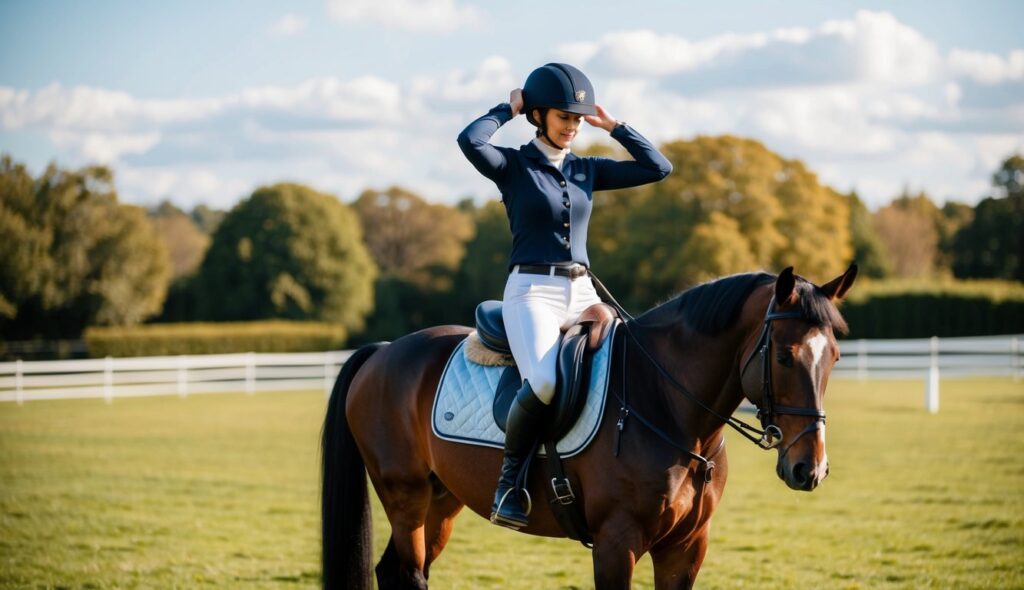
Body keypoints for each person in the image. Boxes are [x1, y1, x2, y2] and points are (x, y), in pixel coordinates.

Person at [457, 63, 673, 529]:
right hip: (531, 292)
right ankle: (508, 484)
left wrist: (614, 126)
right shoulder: (513, 166)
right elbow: (470, 141)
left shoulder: (585, 169)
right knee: (547, 383)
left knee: (627, 360)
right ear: (538, 116)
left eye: (577, 119)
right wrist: (507, 108)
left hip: (582, 289)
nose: (573, 127)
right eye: (563, 118)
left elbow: (659, 168)